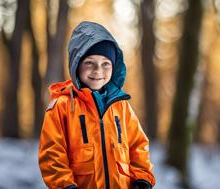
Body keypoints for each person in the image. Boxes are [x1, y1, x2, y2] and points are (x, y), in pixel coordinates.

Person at [38, 21, 155, 189]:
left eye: (105, 63)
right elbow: (51, 154)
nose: (98, 70)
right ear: (76, 64)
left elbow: (138, 146)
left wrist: (142, 178)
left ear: (114, 67)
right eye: (89, 62)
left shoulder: (121, 106)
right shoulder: (62, 106)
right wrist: (65, 186)